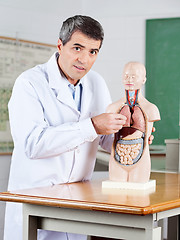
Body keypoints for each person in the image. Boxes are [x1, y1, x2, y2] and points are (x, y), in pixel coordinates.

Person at [4, 15, 127, 240]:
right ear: (60, 45)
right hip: (37, 205)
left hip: (76, 205)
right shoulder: (30, 83)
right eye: (77, 48)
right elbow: (33, 144)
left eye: (93, 52)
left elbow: (105, 139)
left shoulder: (96, 82)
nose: (84, 59)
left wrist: (129, 135)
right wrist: (92, 126)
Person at [107, 62, 160, 183]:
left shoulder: (151, 109)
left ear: (143, 79)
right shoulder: (112, 108)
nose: (129, 79)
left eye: (134, 76)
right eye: (126, 76)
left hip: (141, 157)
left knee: (138, 198)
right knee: (116, 198)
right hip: (117, 156)